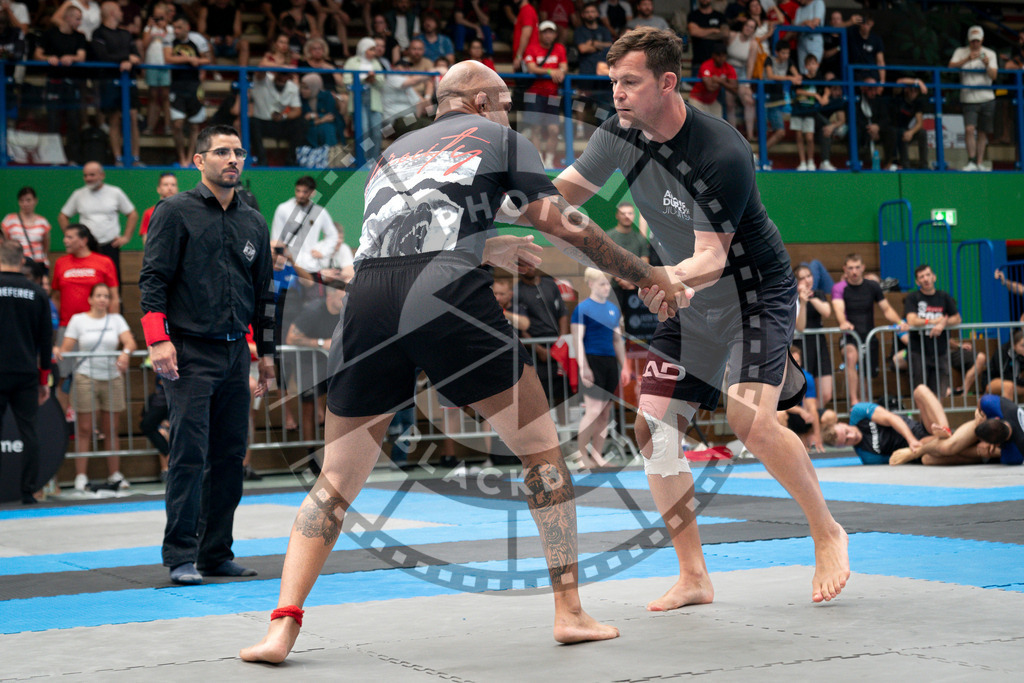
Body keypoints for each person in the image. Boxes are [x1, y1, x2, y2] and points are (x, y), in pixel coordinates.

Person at [240, 60, 690, 663]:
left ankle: (281, 626)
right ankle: (570, 611)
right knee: (541, 452)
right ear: (480, 102)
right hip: (444, 295)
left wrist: (486, 246)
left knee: (335, 479)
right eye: (503, 100)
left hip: (369, 299)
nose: (509, 110)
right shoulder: (500, 137)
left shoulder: (393, 152)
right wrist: (642, 274)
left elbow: (403, 237)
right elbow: (567, 226)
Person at [552, 27, 850, 609]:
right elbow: (562, 193)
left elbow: (712, 258)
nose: (616, 94)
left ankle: (826, 530)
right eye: (612, 82)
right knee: (653, 429)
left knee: (751, 423)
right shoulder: (617, 136)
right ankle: (694, 575)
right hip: (688, 300)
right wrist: (495, 201)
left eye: (630, 82)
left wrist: (664, 281)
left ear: (667, 83)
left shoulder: (721, 151)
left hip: (752, 294)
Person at [139, 125, 276, 586]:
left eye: (238, 151)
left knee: (230, 455)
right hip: (188, 352)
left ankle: (216, 551)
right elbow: (153, 279)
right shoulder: (174, 212)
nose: (232, 159)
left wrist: (268, 355)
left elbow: (265, 297)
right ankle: (181, 554)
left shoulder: (253, 220)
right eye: (221, 152)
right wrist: (158, 340)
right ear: (199, 161)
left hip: (237, 351)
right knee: (189, 454)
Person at [57, 282, 136, 491]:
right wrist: (56, 350)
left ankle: (115, 474)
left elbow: (130, 342)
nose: (102, 299)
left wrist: (125, 353)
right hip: (86, 377)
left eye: (106, 296)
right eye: (98, 296)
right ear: (90, 299)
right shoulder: (78, 320)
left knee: (111, 429)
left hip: (112, 378)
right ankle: (81, 476)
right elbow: (66, 347)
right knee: (83, 429)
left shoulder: (116, 320)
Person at [0, 240, 52, 505]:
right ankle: (28, 491)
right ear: (22, 261)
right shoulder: (37, 292)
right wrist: (44, 379)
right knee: (29, 432)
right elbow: (46, 341)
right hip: (25, 372)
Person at [572, 268, 630, 468]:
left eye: (608, 284)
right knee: (593, 410)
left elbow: (617, 340)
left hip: (609, 362)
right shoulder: (582, 309)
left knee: (605, 412)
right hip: (592, 360)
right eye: (602, 284)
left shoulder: (613, 309)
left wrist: (625, 366)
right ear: (590, 284)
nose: (606, 288)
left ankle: (597, 454)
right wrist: (583, 367)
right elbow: (577, 340)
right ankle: (581, 456)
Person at [832, 253, 907, 405]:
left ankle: (864, 404)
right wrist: (843, 322)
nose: (854, 271)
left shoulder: (872, 286)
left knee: (866, 375)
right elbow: (838, 308)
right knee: (851, 356)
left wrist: (900, 321)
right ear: (845, 269)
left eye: (857, 267)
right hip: (850, 334)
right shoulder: (839, 287)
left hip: (868, 335)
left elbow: (886, 309)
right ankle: (854, 401)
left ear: (863, 268)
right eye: (851, 268)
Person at [821, 384, 949, 464]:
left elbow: (891, 418)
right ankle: (946, 439)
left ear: (843, 424)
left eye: (847, 433)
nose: (852, 437)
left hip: (916, 430)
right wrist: (915, 447)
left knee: (920, 391)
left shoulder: (857, 413)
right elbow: (896, 458)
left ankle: (946, 431)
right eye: (846, 442)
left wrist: (911, 439)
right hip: (916, 447)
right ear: (842, 447)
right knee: (933, 453)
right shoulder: (867, 456)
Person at [888, 394, 1024, 467]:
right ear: (995, 418)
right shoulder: (997, 406)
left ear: (998, 444)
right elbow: (981, 401)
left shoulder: (1015, 453)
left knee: (929, 459)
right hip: (984, 425)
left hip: (986, 454)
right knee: (947, 447)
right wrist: (978, 412)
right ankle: (917, 452)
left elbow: (1001, 455)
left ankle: (923, 450)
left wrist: (993, 452)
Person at [58, 162, 137, 280]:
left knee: (112, 280)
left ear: (102, 175)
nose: (88, 178)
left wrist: (126, 237)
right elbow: (63, 216)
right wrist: (72, 237)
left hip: (110, 246)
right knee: (89, 280)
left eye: (92, 175)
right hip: (87, 247)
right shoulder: (78, 194)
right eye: (85, 175)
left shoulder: (115, 192)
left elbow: (132, 214)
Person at [285, 283, 344, 442]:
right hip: (308, 366)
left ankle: (335, 452)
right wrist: (320, 343)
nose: (345, 299)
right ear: (330, 296)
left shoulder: (346, 313)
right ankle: (311, 455)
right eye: (341, 297)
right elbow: (291, 338)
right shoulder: (313, 311)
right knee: (308, 409)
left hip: (332, 367)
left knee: (338, 407)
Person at [89, 1, 141, 166]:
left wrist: (129, 60)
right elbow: (102, 56)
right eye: (119, 10)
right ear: (111, 13)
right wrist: (125, 59)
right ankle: (118, 157)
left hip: (128, 81)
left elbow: (137, 57)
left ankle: (135, 157)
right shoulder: (99, 33)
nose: (122, 13)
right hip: (109, 81)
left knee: (132, 116)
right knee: (114, 118)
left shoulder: (125, 34)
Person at [34, 4, 87, 164]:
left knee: (73, 121)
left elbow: (81, 56)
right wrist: (49, 59)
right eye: (77, 19)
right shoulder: (49, 34)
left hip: (71, 84)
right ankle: (53, 158)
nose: (79, 22)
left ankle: (73, 158)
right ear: (67, 17)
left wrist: (71, 58)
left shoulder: (80, 37)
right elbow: (37, 54)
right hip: (53, 82)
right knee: (53, 121)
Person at [903, 264, 961, 398]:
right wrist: (932, 322)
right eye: (921, 277)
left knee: (938, 394)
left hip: (940, 352)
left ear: (934, 277)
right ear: (917, 282)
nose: (926, 279)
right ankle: (923, 419)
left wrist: (943, 322)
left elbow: (957, 318)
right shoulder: (913, 297)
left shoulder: (943, 296)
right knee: (921, 393)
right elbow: (911, 320)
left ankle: (935, 419)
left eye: (928, 275)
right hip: (919, 352)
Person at [949, 25, 998, 172]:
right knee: (969, 129)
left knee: (983, 131)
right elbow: (950, 67)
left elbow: (994, 76)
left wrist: (987, 64)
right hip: (968, 97)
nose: (975, 43)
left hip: (987, 97)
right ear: (969, 41)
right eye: (972, 41)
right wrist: (966, 59)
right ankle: (971, 160)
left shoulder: (990, 53)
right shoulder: (960, 52)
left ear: (982, 39)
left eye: (977, 41)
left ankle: (979, 162)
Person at [164, 16, 211, 168]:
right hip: (176, 86)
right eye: (175, 28)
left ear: (187, 28)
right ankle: (181, 157)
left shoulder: (197, 39)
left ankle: (191, 159)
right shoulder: (169, 39)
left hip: (194, 86)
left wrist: (195, 60)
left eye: (179, 28)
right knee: (177, 124)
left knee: (194, 126)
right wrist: (189, 60)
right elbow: (168, 58)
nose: (176, 31)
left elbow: (207, 60)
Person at [522, 20, 567, 168]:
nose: (548, 35)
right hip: (534, 94)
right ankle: (539, 161)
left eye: (551, 32)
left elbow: (564, 67)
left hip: (552, 95)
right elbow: (531, 68)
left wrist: (560, 71)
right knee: (536, 128)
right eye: (545, 32)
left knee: (553, 129)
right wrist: (550, 71)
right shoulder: (531, 48)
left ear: (555, 34)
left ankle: (549, 160)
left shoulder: (559, 48)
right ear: (540, 34)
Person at [794, 264, 832, 407]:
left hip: (819, 344)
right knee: (804, 391)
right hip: (802, 346)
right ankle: (808, 419)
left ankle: (812, 416)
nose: (807, 280)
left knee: (826, 393)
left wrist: (811, 299)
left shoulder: (819, 294)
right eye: (802, 278)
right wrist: (803, 302)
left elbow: (827, 312)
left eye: (809, 276)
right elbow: (800, 326)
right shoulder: (793, 299)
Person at [343, 36, 385, 163]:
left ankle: (374, 160)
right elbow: (347, 81)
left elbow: (382, 82)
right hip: (358, 101)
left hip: (374, 102)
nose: (374, 52)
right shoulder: (352, 62)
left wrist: (374, 79)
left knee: (377, 132)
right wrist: (364, 79)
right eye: (371, 49)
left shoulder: (376, 63)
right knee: (364, 131)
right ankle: (363, 160)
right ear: (363, 49)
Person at [251, 70, 304, 167]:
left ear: (289, 76)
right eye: (280, 74)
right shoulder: (263, 79)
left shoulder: (292, 87)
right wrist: (279, 66)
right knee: (252, 123)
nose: (282, 77)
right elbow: (260, 69)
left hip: (279, 123)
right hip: (261, 122)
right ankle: (262, 161)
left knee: (301, 123)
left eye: (285, 74)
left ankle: (291, 161)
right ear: (275, 73)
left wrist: (283, 116)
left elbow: (297, 110)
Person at [778, 344, 823, 452]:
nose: (796, 365)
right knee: (780, 414)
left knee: (829, 416)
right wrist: (800, 411)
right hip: (790, 413)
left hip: (803, 415)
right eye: (793, 361)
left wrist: (817, 435)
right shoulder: (780, 377)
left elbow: (812, 406)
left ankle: (810, 439)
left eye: (798, 361)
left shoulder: (807, 377)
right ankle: (783, 447)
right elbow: (779, 405)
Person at [140, 3, 172, 136]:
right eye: (156, 17)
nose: (158, 20)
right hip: (151, 64)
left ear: (167, 17)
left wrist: (164, 29)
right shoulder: (148, 29)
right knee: (152, 96)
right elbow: (144, 45)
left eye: (161, 17)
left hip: (165, 66)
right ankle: (150, 125)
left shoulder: (170, 29)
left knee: (165, 96)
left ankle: (168, 125)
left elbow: (171, 41)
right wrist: (150, 27)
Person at [791, 53, 827, 171]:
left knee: (809, 137)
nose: (812, 66)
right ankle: (802, 162)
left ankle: (810, 161)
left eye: (814, 64)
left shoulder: (819, 78)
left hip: (810, 111)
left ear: (817, 65)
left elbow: (827, 89)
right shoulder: (801, 77)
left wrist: (825, 96)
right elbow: (798, 91)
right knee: (799, 137)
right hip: (798, 110)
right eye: (809, 64)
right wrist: (815, 95)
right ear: (806, 66)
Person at [725, 18, 758, 140]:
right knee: (729, 103)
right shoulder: (733, 35)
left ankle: (749, 135)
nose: (748, 28)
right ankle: (733, 135)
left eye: (751, 27)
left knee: (749, 101)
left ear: (754, 31)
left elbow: (750, 64)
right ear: (743, 26)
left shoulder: (753, 44)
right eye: (747, 25)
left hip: (742, 72)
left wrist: (748, 85)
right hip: (728, 70)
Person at [886, 78, 929, 170]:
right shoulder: (899, 96)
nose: (914, 93)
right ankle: (905, 165)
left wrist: (911, 132)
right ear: (907, 89)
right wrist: (918, 82)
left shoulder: (918, 103)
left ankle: (924, 165)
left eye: (916, 91)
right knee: (902, 133)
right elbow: (899, 81)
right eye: (912, 89)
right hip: (894, 129)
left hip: (907, 129)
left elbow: (919, 122)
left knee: (922, 133)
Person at [198, 0, 250, 75]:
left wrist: (232, 38)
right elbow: (201, 32)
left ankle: (243, 75)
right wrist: (212, 39)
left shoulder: (235, 11)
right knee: (207, 46)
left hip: (230, 44)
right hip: (212, 44)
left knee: (244, 43)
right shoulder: (205, 10)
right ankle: (216, 74)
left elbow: (238, 32)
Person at [688, 41, 738, 119]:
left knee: (718, 125)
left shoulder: (728, 68)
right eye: (718, 55)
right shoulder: (706, 65)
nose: (721, 58)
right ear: (713, 55)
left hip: (711, 101)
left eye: (723, 55)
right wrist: (724, 82)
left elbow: (735, 89)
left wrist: (719, 81)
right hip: (697, 99)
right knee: (700, 125)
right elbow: (710, 88)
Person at [2, 187, 51, 264]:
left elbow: (46, 244)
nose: (25, 204)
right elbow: (4, 241)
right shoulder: (9, 220)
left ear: (35, 200)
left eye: (28, 200)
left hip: (38, 264)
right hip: (16, 264)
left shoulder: (43, 222)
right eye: (22, 200)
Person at [688, 0, 729, 77]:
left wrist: (701, 32)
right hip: (699, 61)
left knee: (717, 87)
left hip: (717, 63)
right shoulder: (693, 15)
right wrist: (713, 30)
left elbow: (725, 33)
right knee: (698, 87)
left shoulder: (719, 16)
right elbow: (693, 32)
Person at [140, 172, 178, 244]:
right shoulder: (149, 213)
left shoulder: (184, 212)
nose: (170, 188)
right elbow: (147, 241)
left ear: (177, 188)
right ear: (158, 189)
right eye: (165, 185)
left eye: (173, 185)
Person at [847, 11, 885, 84]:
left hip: (871, 72)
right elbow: (836, 28)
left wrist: (882, 81)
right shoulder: (851, 33)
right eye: (863, 23)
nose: (865, 26)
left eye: (868, 24)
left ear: (872, 24)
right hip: (855, 71)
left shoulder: (876, 39)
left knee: (872, 82)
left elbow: (880, 61)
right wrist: (850, 22)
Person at [792, 0, 823, 67]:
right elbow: (795, 29)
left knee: (813, 69)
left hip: (813, 40)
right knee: (803, 70)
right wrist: (805, 22)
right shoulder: (799, 9)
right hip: (801, 40)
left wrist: (802, 24)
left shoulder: (818, 2)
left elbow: (815, 23)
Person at [512, 0, 539, 72]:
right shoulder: (524, 10)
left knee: (523, 82)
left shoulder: (527, 10)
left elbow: (526, 34)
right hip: (524, 57)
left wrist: (518, 56)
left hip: (526, 57)